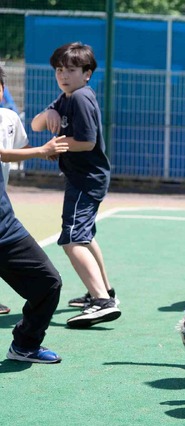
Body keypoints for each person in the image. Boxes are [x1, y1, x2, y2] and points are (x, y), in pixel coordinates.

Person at [31, 42, 120, 329]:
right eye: (59, 69)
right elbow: (35, 125)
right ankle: (106, 292)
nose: (63, 75)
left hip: (86, 179)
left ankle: (101, 302)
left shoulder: (80, 97)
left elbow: (87, 141)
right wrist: (49, 114)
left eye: (71, 70)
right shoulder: (66, 96)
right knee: (85, 236)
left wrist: (53, 146)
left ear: (87, 73)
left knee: (71, 239)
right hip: (83, 178)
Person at [0, 66, 63, 363]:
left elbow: (19, 148)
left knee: (48, 282)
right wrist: (40, 150)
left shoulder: (8, 118)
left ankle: (25, 345)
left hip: (4, 226)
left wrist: (50, 150)